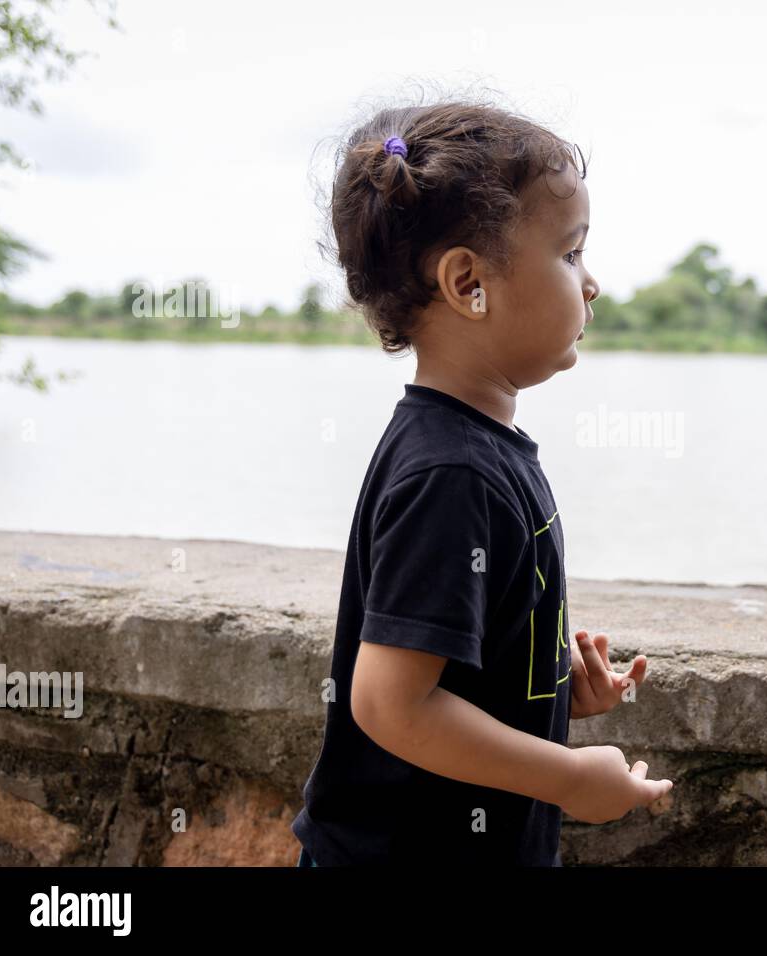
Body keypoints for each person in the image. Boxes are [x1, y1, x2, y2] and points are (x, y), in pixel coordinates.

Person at [290, 97, 673, 866]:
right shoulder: (451, 473)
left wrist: (548, 691)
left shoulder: (474, 449)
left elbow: (445, 679)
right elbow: (390, 703)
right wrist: (568, 777)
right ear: (470, 282)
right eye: (570, 255)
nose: (590, 283)